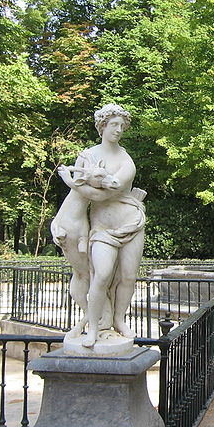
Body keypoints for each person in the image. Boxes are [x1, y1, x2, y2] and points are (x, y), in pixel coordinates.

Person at [55, 104, 146, 349]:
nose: (118, 130)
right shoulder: (87, 156)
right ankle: (94, 327)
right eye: (113, 125)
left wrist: (70, 181)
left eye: (122, 126)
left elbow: (103, 195)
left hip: (131, 222)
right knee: (102, 275)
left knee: (128, 277)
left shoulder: (126, 160)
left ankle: (118, 319)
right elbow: (81, 197)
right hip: (102, 228)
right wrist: (61, 222)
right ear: (102, 126)